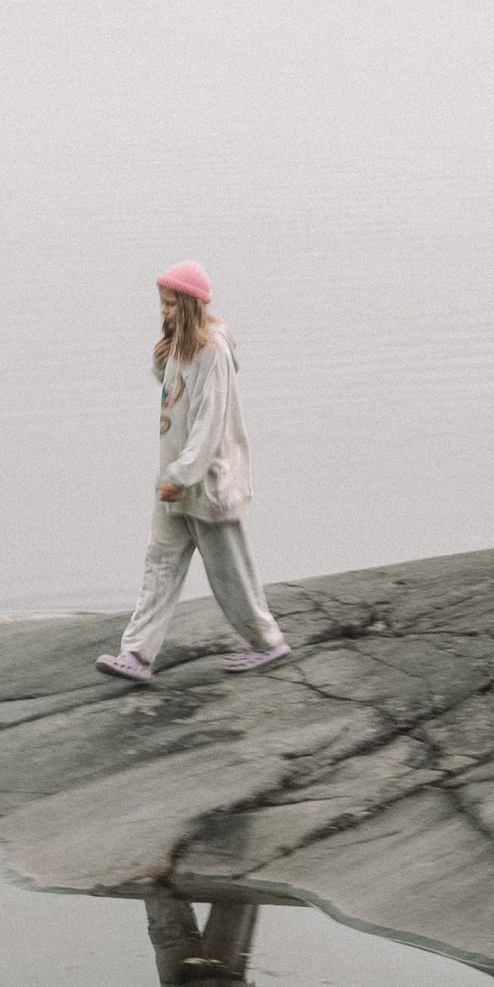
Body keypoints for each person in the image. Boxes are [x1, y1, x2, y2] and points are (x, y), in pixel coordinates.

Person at [97, 261, 291, 682]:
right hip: (174, 484)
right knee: (160, 564)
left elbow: (209, 425)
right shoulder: (181, 346)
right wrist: (159, 362)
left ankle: (267, 642)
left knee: (229, 572)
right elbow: (175, 395)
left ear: (188, 305)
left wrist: (181, 475)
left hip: (205, 484)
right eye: (162, 303)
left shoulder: (213, 352)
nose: (164, 310)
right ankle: (136, 654)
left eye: (170, 304)